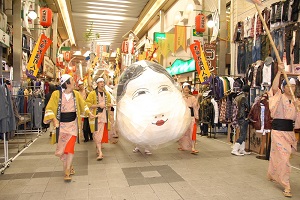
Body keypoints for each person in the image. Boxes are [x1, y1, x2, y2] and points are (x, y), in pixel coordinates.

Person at [43, 74, 94, 181]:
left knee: (70, 148)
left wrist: (89, 113)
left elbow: (83, 105)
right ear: (66, 83)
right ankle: (69, 166)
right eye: (72, 80)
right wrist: (54, 119)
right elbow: (50, 108)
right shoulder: (56, 94)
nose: (74, 82)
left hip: (72, 125)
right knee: (63, 149)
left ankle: (66, 172)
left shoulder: (76, 94)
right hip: (61, 126)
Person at [267, 63, 300, 198]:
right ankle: (286, 185)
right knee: (284, 158)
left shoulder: (297, 101)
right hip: (278, 131)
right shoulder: (279, 97)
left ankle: (272, 173)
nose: (290, 88)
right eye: (288, 85)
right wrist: (280, 72)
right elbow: (274, 88)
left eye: (293, 86)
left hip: (289, 133)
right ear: (284, 87)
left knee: (277, 155)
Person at [85, 77, 111, 161]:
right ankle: (100, 152)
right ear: (97, 84)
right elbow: (88, 104)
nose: (102, 84)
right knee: (96, 134)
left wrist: (109, 105)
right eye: (100, 82)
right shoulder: (92, 94)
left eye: (103, 82)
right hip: (95, 117)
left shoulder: (106, 94)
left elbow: (109, 103)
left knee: (100, 134)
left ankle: (98, 149)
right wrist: (98, 105)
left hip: (103, 116)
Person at [178, 82, 200, 154]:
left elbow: (195, 106)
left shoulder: (192, 97)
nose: (186, 89)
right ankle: (183, 146)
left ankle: (193, 147)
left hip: (191, 117)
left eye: (188, 87)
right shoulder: (180, 97)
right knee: (183, 133)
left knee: (192, 132)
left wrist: (198, 97)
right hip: (183, 117)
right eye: (185, 87)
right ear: (183, 89)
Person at [231, 85, 251, 156]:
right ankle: (235, 149)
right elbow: (248, 107)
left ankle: (242, 149)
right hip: (243, 117)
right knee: (243, 134)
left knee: (243, 133)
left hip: (238, 117)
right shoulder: (243, 97)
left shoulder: (237, 96)